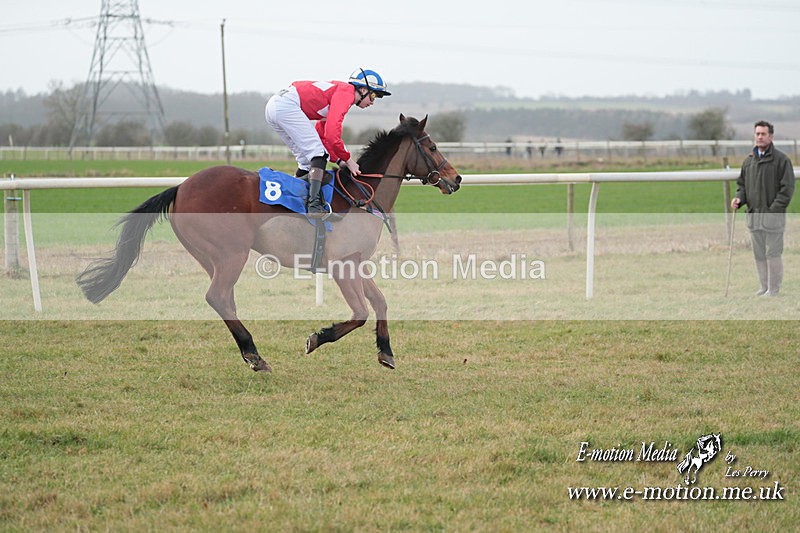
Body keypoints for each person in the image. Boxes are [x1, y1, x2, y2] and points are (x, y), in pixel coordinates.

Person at [265, 68, 391, 215]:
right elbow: (332, 135)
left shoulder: (339, 94)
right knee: (318, 154)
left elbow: (323, 134)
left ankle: (296, 203)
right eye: (374, 95)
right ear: (363, 89)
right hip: (285, 106)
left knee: (306, 160)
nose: (373, 102)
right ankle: (314, 206)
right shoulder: (346, 94)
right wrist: (348, 159)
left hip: (275, 107)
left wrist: (339, 160)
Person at [731, 120, 795, 296]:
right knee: (759, 253)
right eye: (757, 133)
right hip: (753, 216)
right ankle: (763, 287)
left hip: (773, 217)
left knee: (772, 253)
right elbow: (742, 185)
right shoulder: (749, 161)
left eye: (763, 134)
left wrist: (773, 211)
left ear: (771, 136)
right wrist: (738, 198)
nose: (759, 137)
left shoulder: (781, 160)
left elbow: (787, 190)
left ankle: (773, 289)